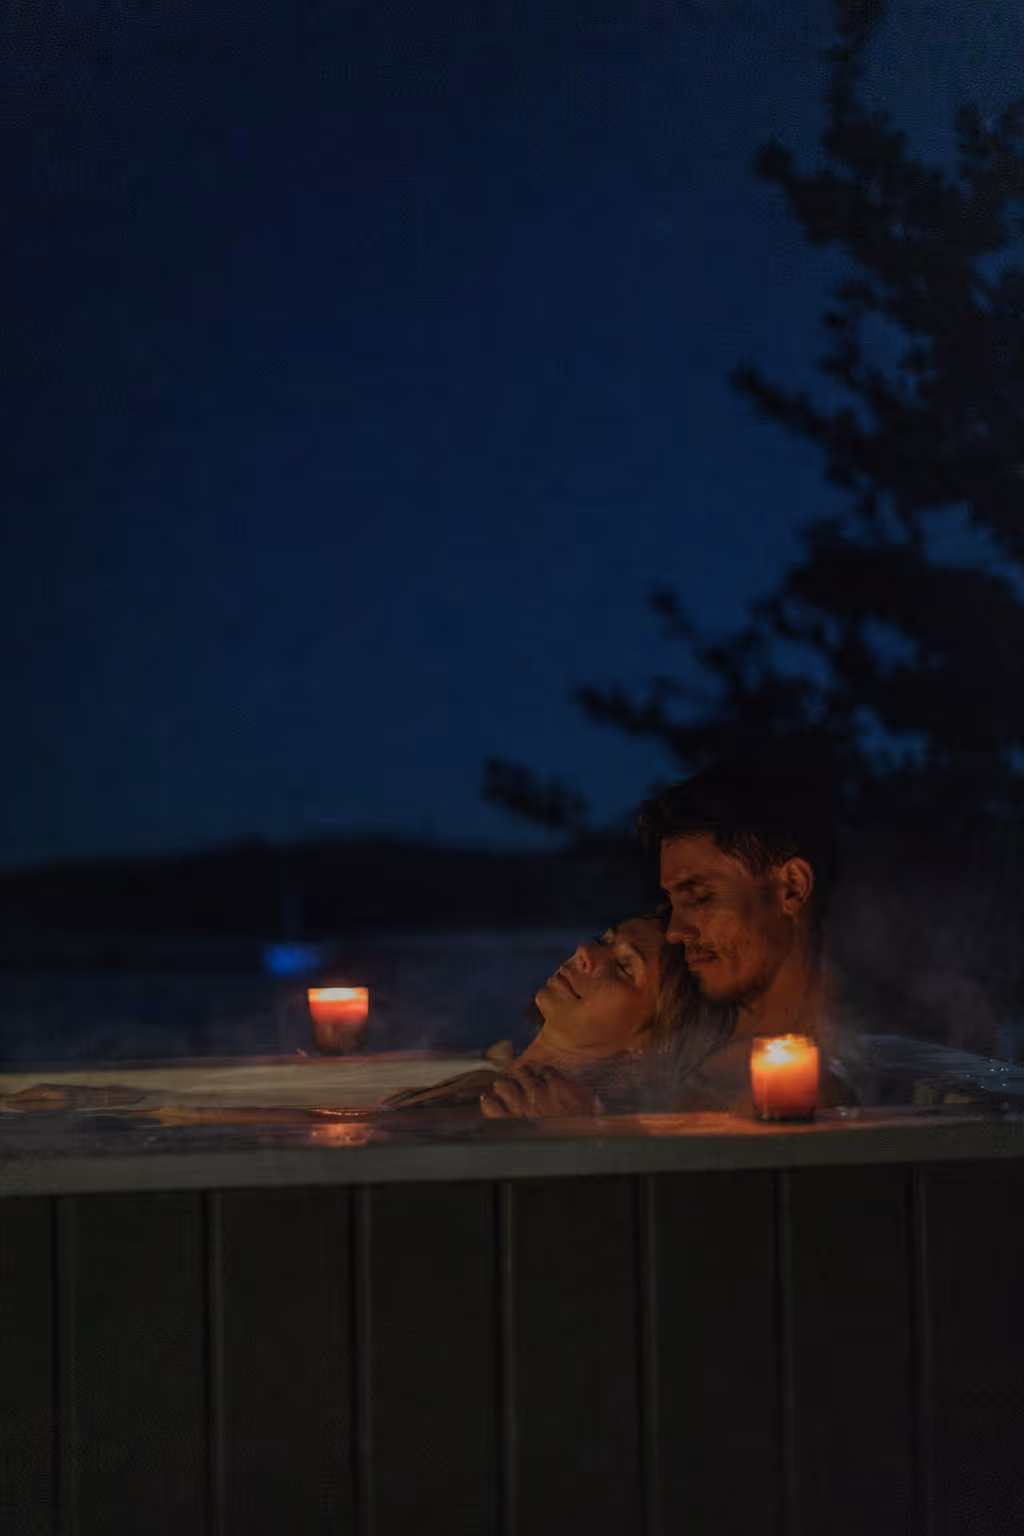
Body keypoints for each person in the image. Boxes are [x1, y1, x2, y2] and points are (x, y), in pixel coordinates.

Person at [637, 757, 856, 1109]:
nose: (675, 932)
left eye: (700, 897)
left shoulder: (883, 1059)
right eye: (672, 903)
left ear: (791, 888)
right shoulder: (673, 1062)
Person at [385, 913, 733, 1116]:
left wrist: (565, 1142)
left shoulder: (523, 1117)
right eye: (604, 940)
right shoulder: (486, 1083)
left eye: (625, 968)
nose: (586, 951)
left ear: (655, 1043)